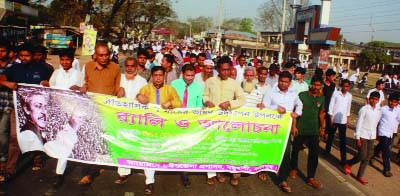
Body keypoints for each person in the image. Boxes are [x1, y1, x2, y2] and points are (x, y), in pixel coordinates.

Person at [0, 43, 52, 177]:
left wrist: (48, 84)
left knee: (38, 134)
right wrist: (7, 83)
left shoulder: (43, 68)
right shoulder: (14, 68)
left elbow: (53, 84)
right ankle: (9, 169)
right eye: (21, 55)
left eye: (27, 55)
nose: (24, 58)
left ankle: (38, 158)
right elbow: (2, 78)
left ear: (33, 56)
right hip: (17, 109)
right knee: (14, 137)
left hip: (37, 110)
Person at [79, 42, 123, 185]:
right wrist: (84, 86)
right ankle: (90, 172)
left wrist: (121, 91)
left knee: (102, 140)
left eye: (106, 55)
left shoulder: (115, 68)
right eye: (101, 55)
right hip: (91, 110)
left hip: (107, 111)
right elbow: (85, 82)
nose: (104, 58)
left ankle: (97, 167)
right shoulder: (88, 66)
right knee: (90, 140)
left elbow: (117, 88)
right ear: (95, 56)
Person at [136, 66, 181, 194]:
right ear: (152, 76)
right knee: (149, 152)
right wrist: (138, 97)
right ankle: (149, 181)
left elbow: (179, 103)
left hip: (165, 126)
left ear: (164, 76)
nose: (158, 77)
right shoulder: (145, 89)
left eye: (161, 75)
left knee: (163, 151)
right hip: (149, 126)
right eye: (155, 75)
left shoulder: (170, 89)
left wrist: (171, 103)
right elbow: (135, 105)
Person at [203, 56, 245, 186]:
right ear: (218, 69)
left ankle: (231, 172)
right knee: (214, 145)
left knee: (227, 145)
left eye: (228, 70)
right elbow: (205, 95)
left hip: (228, 119)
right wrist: (207, 101)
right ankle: (218, 172)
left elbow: (242, 99)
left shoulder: (234, 83)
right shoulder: (210, 81)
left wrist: (230, 103)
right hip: (213, 118)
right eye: (223, 70)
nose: (225, 72)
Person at [260, 71, 303, 193]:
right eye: (281, 81)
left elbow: (299, 105)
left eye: (286, 82)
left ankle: (282, 179)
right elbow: (263, 107)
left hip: (285, 128)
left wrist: (297, 113)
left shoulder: (293, 94)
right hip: (271, 126)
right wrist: (275, 108)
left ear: (290, 83)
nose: (283, 84)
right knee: (268, 148)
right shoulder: (270, 92)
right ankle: (263, 169)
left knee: (286, 152)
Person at [114, 57, 147, 185]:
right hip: (119, 117)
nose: (129, 68)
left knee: (136, 142)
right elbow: (110, 95)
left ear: (137, 67)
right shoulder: (119, 79)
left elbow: (146, 99)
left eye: (132, 66)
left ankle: (138, 165)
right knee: (122, 143)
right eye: (127, 66)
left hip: (136, 118)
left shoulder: (142, 81)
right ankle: (123, 173)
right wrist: (118, 91)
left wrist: (141, 98)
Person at [171, 64, 203, 187]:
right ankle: (167, 166)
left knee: (187, 146)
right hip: (175, 120)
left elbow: (199, 104)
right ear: (182, 74)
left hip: (190, 122)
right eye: (187, 75)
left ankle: (185, 173)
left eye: (192, 75)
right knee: (173, 143)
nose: (190, 78)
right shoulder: (174, 84)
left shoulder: (198, 87)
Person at [290, 76, 325, 189]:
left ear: (321, 86)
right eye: (314, 84)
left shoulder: (322, 98)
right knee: (295, 150)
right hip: (301, 128)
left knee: (314, 154)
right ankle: (293, 169)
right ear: (310, 85)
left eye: (318, 85)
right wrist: (294, 126)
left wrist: (322, 128)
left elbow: (321, 114)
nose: (316, 87)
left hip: (314, 130)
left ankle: (311, 177)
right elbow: (295, 111)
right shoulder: (302, 95)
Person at [343, 91, 382, 185]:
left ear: (378, 100)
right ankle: (349, 163)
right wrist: (357, 137)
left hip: (371, 136)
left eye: (376, 99)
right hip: (363, 135)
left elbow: (376, 124)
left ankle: (360, 176)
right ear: (369, 99)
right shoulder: (364, 109)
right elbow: (359, 123)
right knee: (362, 155)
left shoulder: (378, 111)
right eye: (372, 98)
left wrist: (376, 135)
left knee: (368, 157)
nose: (374, 101)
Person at [325, 79, 352, 165]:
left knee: (343, 140)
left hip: (343, 120)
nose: (345, 88)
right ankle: (327, 151)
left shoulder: (349, 96)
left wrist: (348, 118)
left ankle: (343, 159)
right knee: (331, 136)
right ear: (341, 86)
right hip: (334, 119)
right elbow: (331, 105)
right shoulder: (336, 93)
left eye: (347, 86)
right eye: (344, 86)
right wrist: (331, 117)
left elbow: (348, 107)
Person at [373, 93, 400, 177]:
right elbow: (377, 121)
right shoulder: (383, 109)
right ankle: (386, 169)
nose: (392, 103)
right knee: (386, 151)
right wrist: (376, 132)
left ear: (397, 103)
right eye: (391, 101)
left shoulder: (397, 110)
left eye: (394, 102)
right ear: (388, 101)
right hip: (382, 132)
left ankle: (371, 155)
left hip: (390, 133)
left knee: (381, 146)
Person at [0, 40, 12, 165]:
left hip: (8, 104)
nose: (0, 53)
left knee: (3, 131)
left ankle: (3, 157)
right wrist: (6, 83)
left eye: (3, 51)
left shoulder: (13, 67)